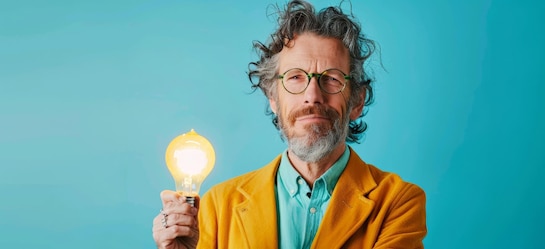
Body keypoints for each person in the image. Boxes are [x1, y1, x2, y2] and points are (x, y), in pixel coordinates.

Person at [152, 0, 427, 248]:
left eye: (331, 78)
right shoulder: (217, 206)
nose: (312, 96)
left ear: (357, 101)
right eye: (295, 77)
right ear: (273, 97)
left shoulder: (398, 203)